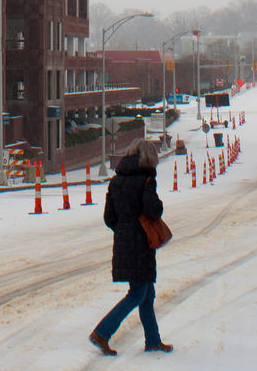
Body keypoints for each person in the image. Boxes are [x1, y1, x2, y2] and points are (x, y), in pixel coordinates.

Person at [89, 138, 173, 356]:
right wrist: (158, 204)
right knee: (137, 293)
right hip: (141, 244)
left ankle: (153, 341)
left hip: (123, 241)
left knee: (147, 294)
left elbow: (109, 218)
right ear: (148, 159)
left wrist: (124, 229)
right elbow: (153, 210)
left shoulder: (115, 182)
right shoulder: (146, 181)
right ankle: (102, 332)